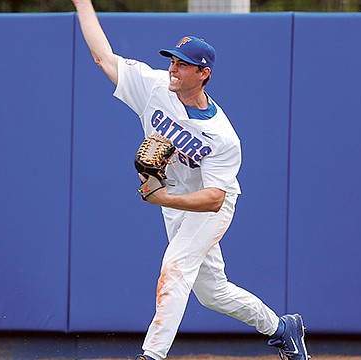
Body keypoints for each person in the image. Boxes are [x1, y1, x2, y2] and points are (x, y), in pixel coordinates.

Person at [71, 1, 310, 359]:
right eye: (172, 60)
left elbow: (215, 198)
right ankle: (281, 328)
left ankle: (151, 355)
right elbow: (103, 58)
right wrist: (83, 4)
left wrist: (162, 197)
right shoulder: (154, 87)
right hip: (175, 201)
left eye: (182, 64)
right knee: (212, 292)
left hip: (210, 205)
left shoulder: (222, 136)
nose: (173, 69)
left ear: (203, 73)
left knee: (175, 267)